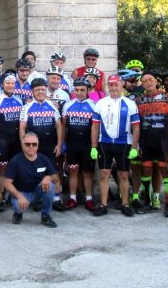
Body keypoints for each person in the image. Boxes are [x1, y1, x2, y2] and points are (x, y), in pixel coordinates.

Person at [90, 74, 140, 217]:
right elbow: (95, 126)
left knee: (123, 174)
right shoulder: (100, 103)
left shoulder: (130, 104)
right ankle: (103, 204)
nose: (113, 87)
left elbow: (136, 127)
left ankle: (125, 203)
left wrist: (135, 148)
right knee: (104, 173)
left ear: (121, 85)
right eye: (110, 85)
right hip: (104, 143)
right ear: (108, 86)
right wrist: (93, 147)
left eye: (116, 84)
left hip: (124, 143)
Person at [134, 71, 168, 217]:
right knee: (146, 172)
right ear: (142, 83)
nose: (148, 82)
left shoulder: (166, 97)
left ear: (156, 81)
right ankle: (148, 203)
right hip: (145, 141)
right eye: (145, 80)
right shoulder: (138, 100)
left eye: (151, 79)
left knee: (165, 172)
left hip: (163, 141)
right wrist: (136, 143)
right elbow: (135, 124)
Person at [19, 78, 64, 211]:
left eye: (43, 89)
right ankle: (38, 199)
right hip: (33, 147)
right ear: (32, 92)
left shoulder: (52, 106)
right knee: (35, 173)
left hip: (50, 146)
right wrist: (24, 146)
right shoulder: (26, 107)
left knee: (53, 172)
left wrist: (59, 144)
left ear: (46, 90)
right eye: (37, 90)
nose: (40, 92)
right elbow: (22, 127)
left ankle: (56, 199)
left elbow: (59, 126)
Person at [2, 132, 58, 228]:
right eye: (27, 144)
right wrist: (19, 196)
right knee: (18, 207)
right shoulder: (15, 160)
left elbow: (56, 178)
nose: (31, 146)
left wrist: (48, 177)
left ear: (38, 145)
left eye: (34, 144)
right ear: (22, 145)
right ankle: (18, 213)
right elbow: (6, 183)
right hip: (22, 193)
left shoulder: (44, 159)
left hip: (37, 191)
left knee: (51, 185)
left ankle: (45, 216)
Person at [0, 73, 23, 209]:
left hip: (17, 140)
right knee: (2, 168)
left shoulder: (19, 100)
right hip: (2, 139)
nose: (10, 85)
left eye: (13, 83)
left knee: (14, 168)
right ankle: (2, 197)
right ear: (2, 84)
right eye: (7, 83)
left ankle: (11, 194)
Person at [61, 77, 96, 211]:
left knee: (87, 172)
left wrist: (94, 146)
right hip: (72, 144)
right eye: (77, 90)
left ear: (88, 90)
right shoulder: (68, 105)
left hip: (87, 144)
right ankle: (73, 198)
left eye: (82, 90)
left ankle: (89, 198)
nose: (79, 92)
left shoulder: (94, 105)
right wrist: (63, 143)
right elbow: (64, 126)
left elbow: (96, 127)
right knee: (73, 171)